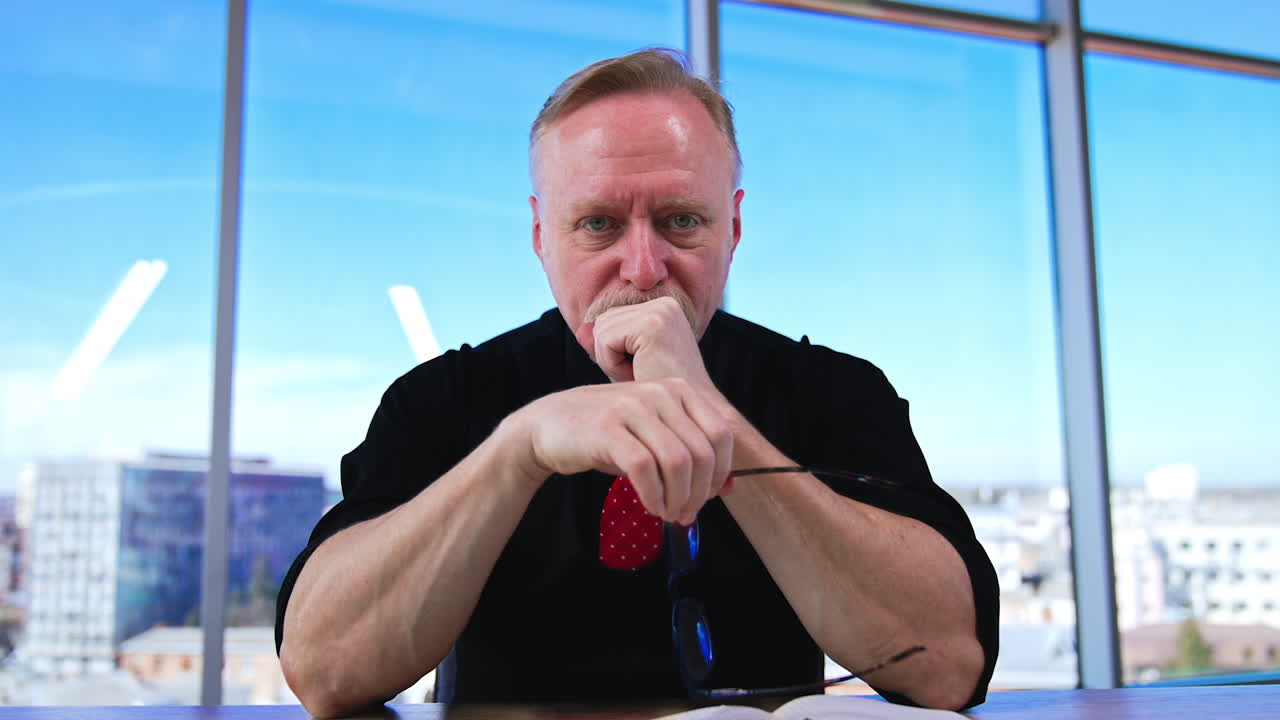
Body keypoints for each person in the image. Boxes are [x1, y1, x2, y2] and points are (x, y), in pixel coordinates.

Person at [275, 48, 998, 719]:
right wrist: (516, 452)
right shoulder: (443, 398)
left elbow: (947, 668)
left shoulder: (831, 390)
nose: (644, 268)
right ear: (541, 238)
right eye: (597, 224)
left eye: (683, 221)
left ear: (733, 230)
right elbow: (322, 668)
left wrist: (715, 422)